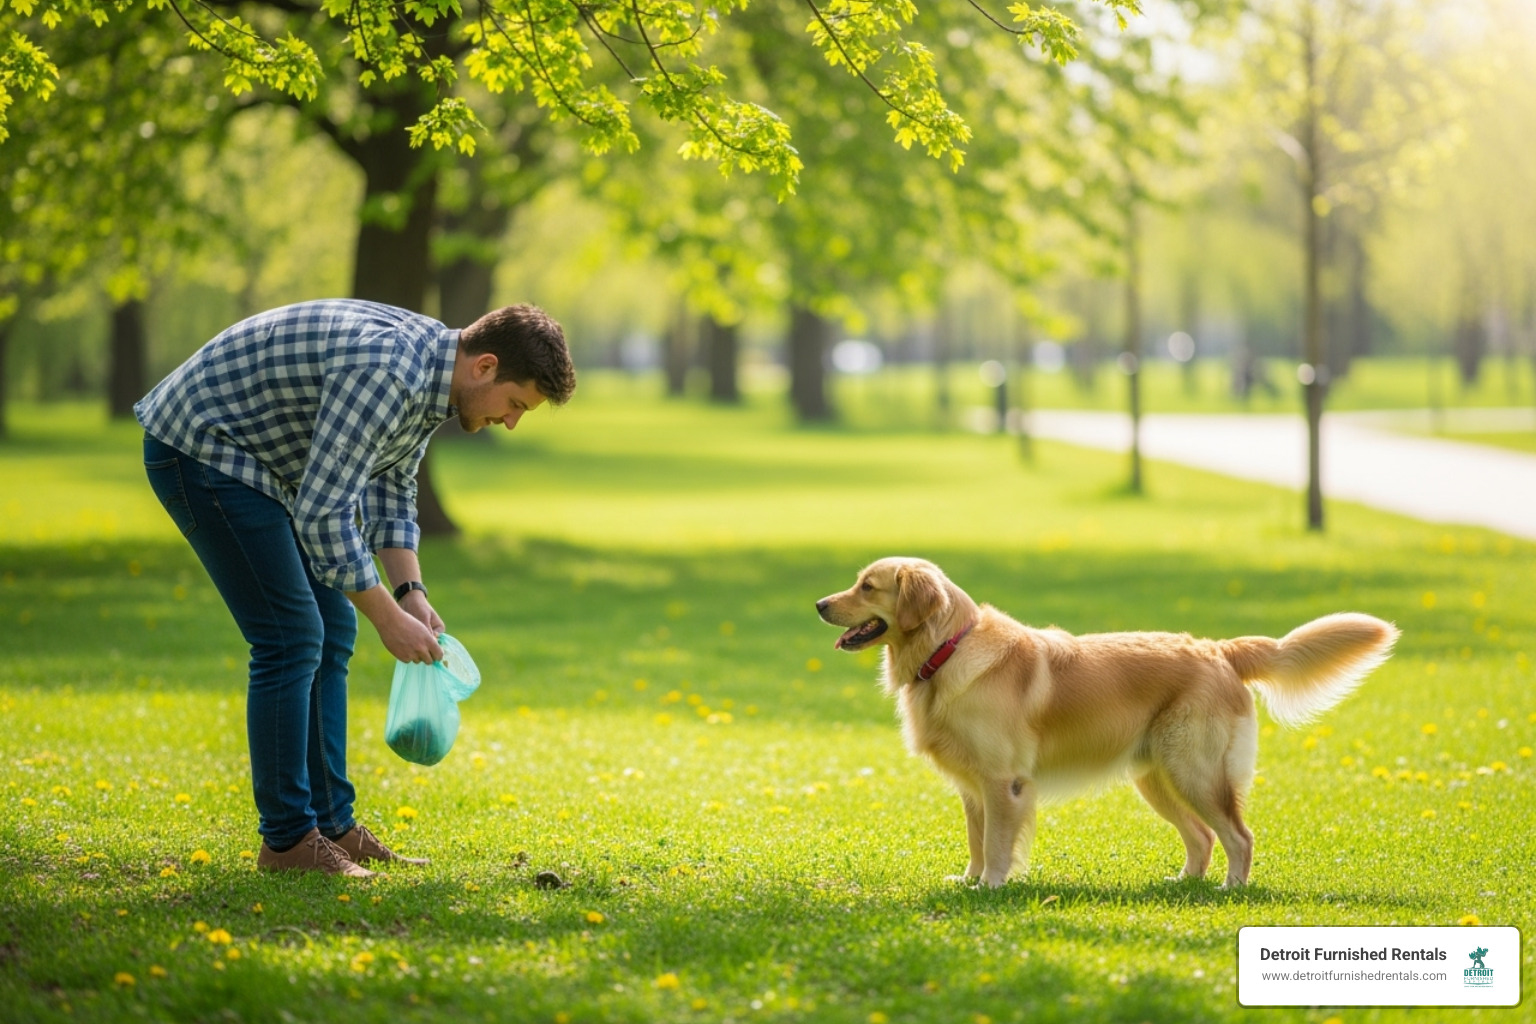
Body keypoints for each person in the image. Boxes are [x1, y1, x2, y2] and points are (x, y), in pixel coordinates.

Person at [136, 299, 576, 876]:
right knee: (290, 637)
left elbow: (390, 487)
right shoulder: (389, 372)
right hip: (205, 448)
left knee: (332, 624)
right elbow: (324, 514)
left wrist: (409, 592)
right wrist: (387, 620)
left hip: (268, 467)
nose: (512, 421)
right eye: (516, 404)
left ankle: (333, 828)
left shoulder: (433, 376)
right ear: (485, 366)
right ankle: (289, 841)